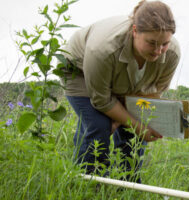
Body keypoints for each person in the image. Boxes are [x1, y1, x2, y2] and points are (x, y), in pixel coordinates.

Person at [61, 0, 180, 182]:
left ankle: (128, 185)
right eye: (151, 43)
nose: (158, 51)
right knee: (99, 126)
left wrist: (131, 122)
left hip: (126, 82)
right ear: (134, 31)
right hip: (80, 72)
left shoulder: (172, 53)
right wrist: (132, 123)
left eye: (164, 44)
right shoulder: (103, 49)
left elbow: (155, 92)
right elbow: (101, 100)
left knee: (133, 132)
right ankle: (89, 184)